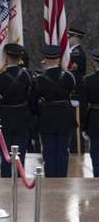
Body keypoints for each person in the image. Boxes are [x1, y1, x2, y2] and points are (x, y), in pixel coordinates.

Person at [0, 43, 34, 177]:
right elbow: (32, 98)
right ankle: (18, 178)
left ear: (6, 56)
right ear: (20, 57)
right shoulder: (27, 75)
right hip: (23, 117)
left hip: (5, 117)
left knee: (5, 152)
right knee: (20, 152)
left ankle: (6, 179)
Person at [34, 44, 76, 178]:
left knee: (48, 151)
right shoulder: (69, 77)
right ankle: (62, 179)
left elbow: (33, 101)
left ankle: (51, 179)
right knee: (63, 150)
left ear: (45, 59)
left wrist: (39, 113)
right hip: (65, 117)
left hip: (47, 118)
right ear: (59, 59)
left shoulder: (39, 79)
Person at [80, 49, 99, 177]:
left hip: (94, 119)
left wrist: (83, 126)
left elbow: (83, 106)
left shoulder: (88, 80)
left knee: (96, 152)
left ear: (95, 62)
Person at [69, 28, 88, 153]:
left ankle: (77, 151)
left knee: (76, 125)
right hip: (72, 95)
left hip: (75, 94)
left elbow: (74, 75)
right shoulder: (72, 53)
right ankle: (73, 149)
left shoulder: (77, 54)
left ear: (76, 37)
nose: (67, 39)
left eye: (69, 37)